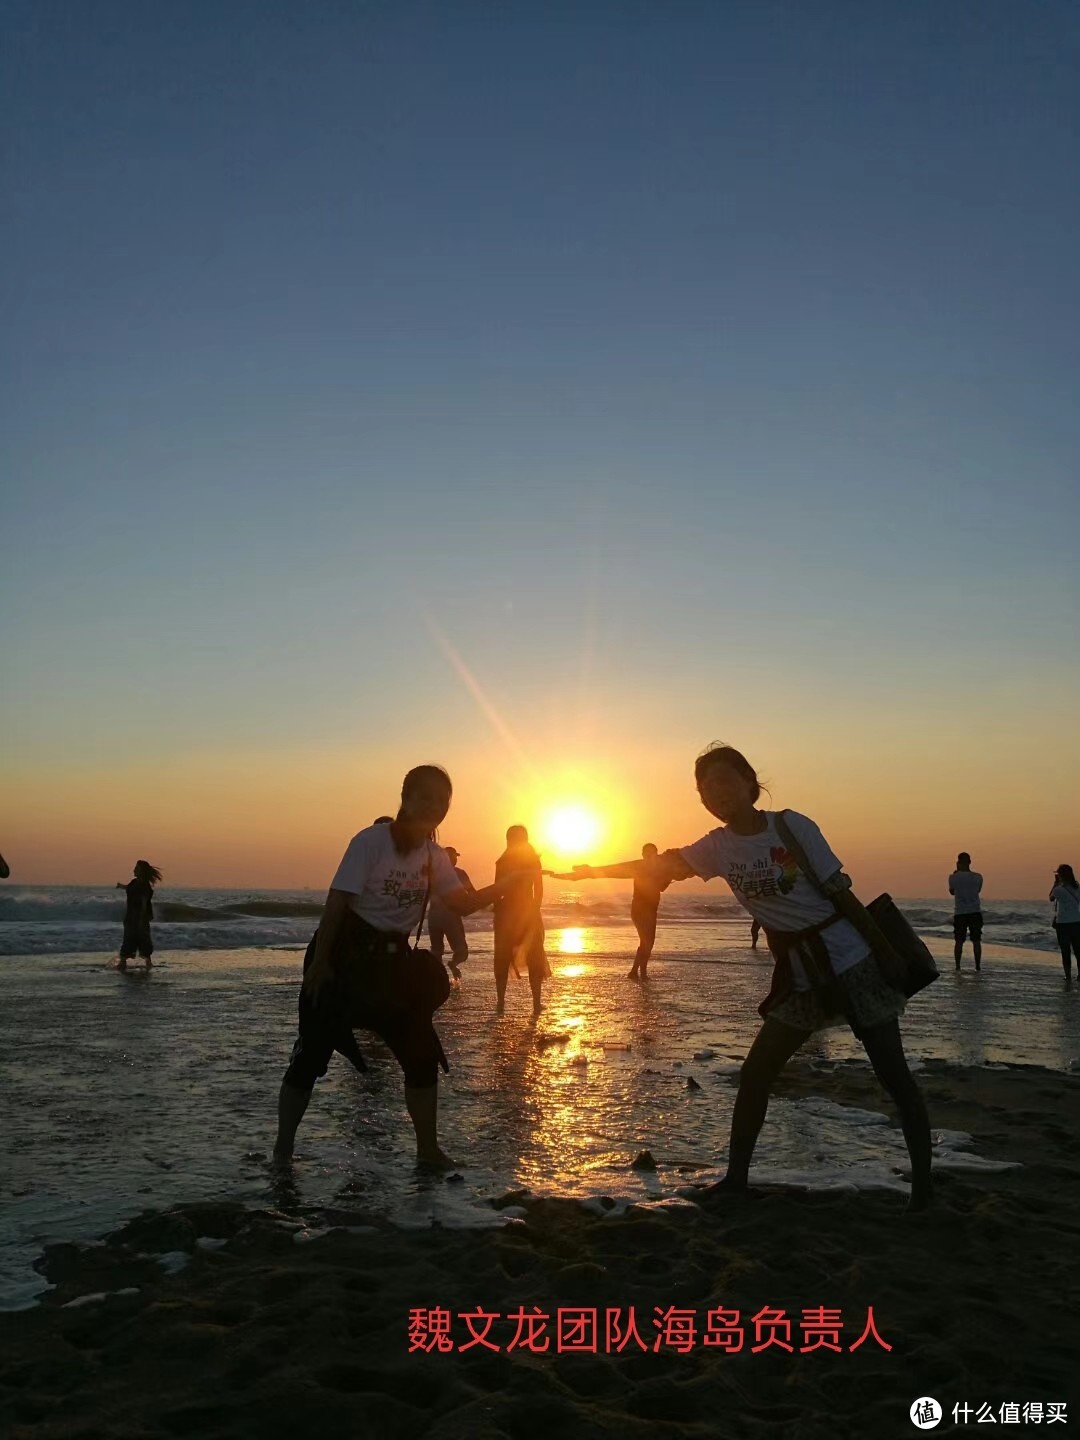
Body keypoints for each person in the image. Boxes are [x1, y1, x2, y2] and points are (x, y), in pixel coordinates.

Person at [567, 743, 932, 1213]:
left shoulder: (791, 826)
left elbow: (841, 894)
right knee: (757, 1073)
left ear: (749, 780)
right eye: (704, 788)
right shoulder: (716, 847)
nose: (714, 793)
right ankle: (736, 1180)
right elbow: (659, 865)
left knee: (894, 1076)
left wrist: (884, 953)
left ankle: (924, 1190)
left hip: (853, 962)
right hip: (801, 977)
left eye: (723, 780)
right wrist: (592, 872)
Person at [274, 765, 519, 1169]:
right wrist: (318, 964)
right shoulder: (370, 842)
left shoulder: (433, 856)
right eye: (424, 797)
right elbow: (337, 902)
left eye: (442, 801)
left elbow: (459, 904)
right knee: (309, 1057)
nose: (433, 806)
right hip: (342, 957)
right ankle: (283, 1150)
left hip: (393, 965)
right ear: (405, 797)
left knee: (421, 1056)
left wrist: (506, 885)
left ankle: (428, 1151)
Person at [493, 825, 548, 1016]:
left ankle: (501, 1001)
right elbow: (539, 890)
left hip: (507, 912)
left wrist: (496, 911)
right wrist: (535, 910)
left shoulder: (503, 861)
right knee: (534, 957)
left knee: (503, 956)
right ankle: (536, 1003)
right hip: (526, 910)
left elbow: (497, 890)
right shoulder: (533, 860)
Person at [429, 846, 476, 980]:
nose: (456, 859)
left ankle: (438, 976)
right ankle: (453, 964)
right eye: (454, 856)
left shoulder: (432, 874)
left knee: (437, 950)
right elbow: (473, 893)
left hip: (434, 917)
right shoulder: (459, 873)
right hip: (451, 917)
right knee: (462, 951)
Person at [627, 843, 671, 980]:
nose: (654, 856)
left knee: (647, 942)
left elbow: (661, 887)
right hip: (641, 908)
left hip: (649, 909)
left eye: (655, 853)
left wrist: (668, 878)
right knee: (647, 942)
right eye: (651, 853)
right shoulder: (641, 868)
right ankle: (640, 973)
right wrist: (665, 877)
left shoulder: (654, 869)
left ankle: (635, 972)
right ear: (644, 854)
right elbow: (653, 887)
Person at [115, 861, 162, 972]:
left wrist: (141, 919)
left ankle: (143, 964)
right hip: (130, 916)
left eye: (136, 868)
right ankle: (126, 963)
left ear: (142, 871)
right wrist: (121, 886)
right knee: (129, 939)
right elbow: (129, 888)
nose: (134, 870)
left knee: (141, 940)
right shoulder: (134, 882)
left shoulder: (144, 885)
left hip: (139, 917)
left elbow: (144, 903)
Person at [949, 852, 984, 972]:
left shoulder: (953, 877)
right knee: (976, 940)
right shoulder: (978, 877)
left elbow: (952, 892)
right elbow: (978, 890)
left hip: (960, 912)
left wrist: (956, 874)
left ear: (958, 862)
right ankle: (977, 966)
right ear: (969, 862)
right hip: (975, 911)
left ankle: (958, 966)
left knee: (959, 941)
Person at [1050, 864, 1080, 983]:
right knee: (1078, 950)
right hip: (1077, 922)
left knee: (1065, 950)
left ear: (1061, 875)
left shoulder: (1058, 889)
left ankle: (1068, 975)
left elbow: (1051, 898)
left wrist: (1055, 883)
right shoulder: (1078, 887)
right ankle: (1079, 974)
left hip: (1063, 923)